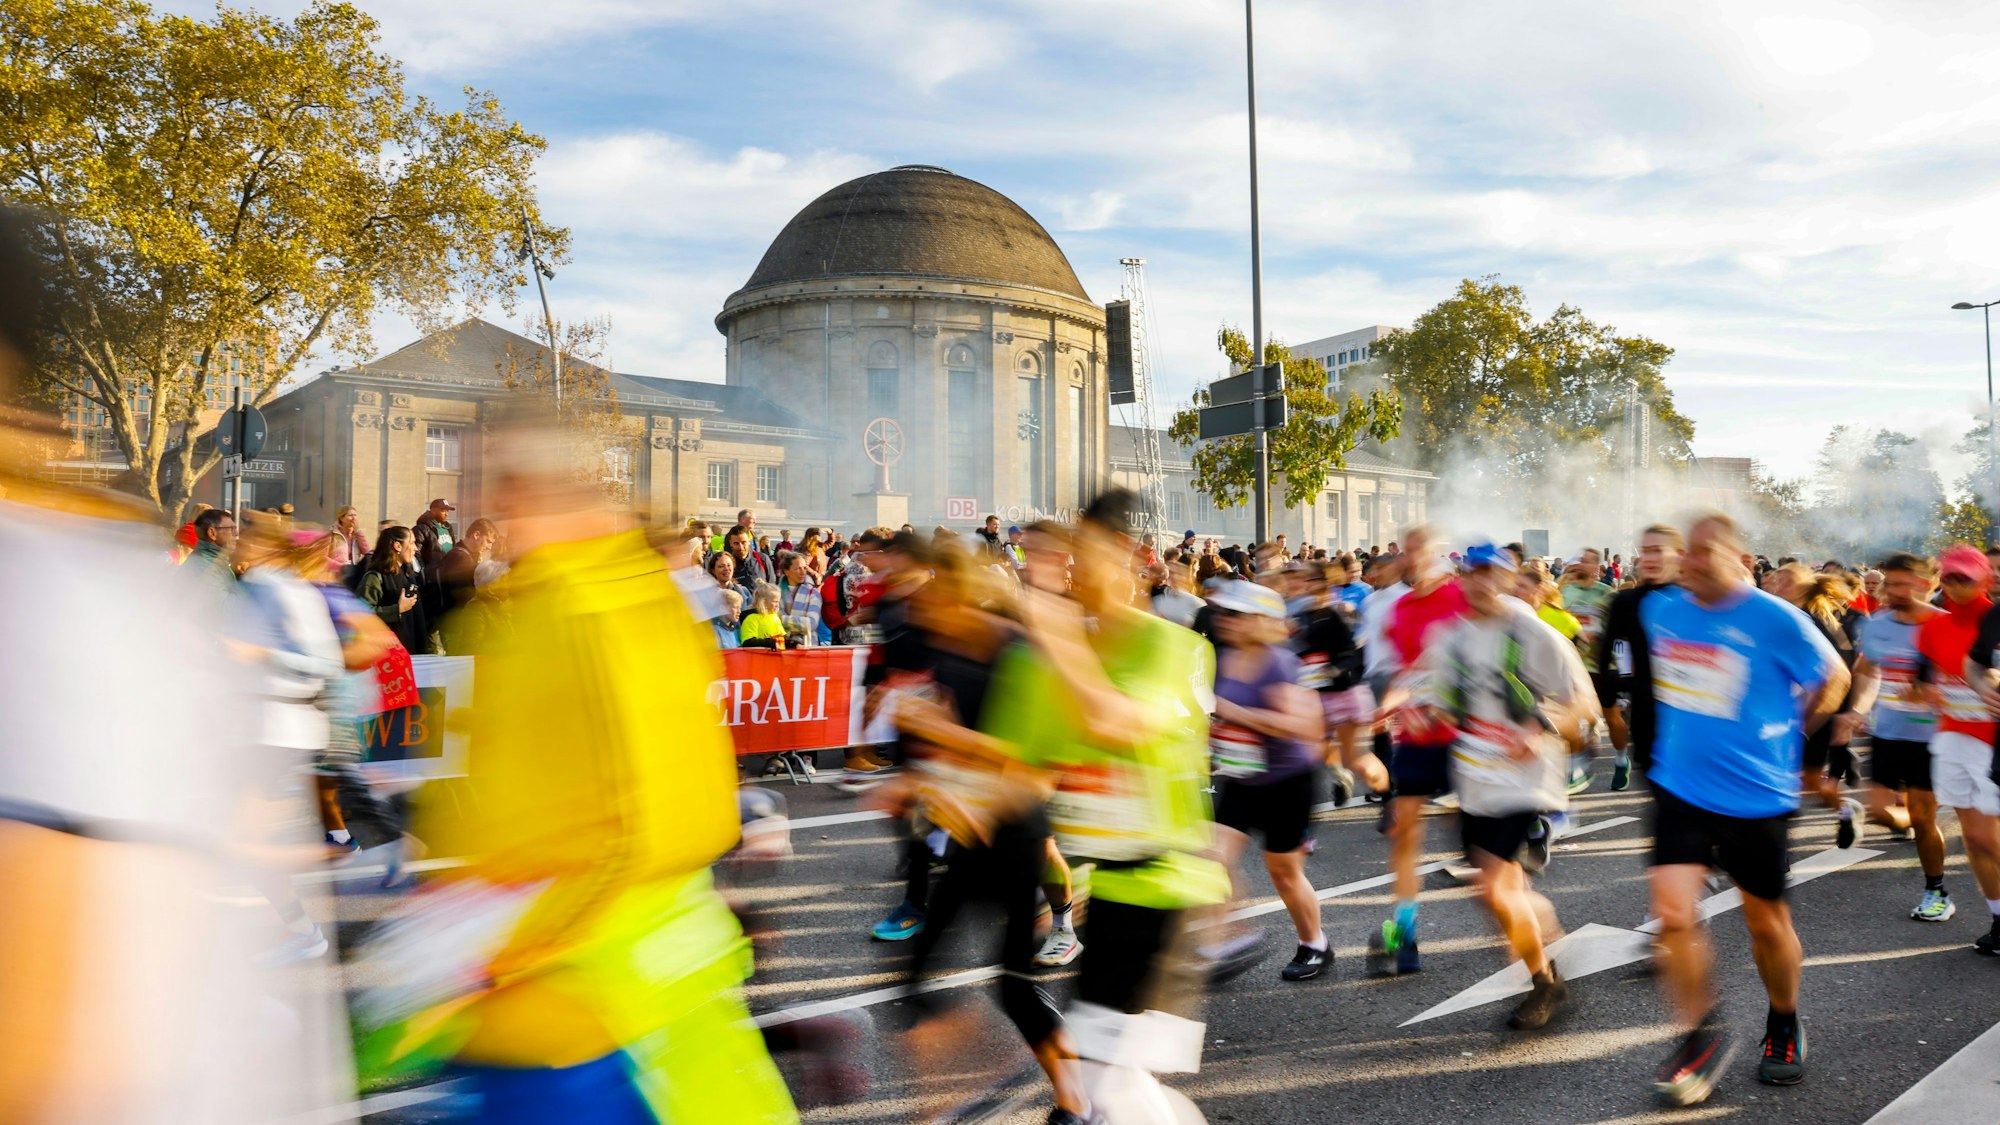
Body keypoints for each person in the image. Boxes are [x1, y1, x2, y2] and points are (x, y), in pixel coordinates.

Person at [390, 410, 796, 1122]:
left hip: (577, 993)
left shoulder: (576, 606)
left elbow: (623, 813)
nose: (499, 514)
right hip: (647, 969)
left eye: (506, 489)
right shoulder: (636, 596)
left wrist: (503, 948)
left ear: (533, 494)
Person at [1011, 491, 1224, 1118]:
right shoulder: (1063, 652)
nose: (1069, 568)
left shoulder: (1170, 647)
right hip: (1109, 888)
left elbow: (1114, 722)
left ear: (1131, 557)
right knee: (1105, 1080)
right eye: (1061, 554)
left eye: (1084, 553)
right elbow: (1027, 768)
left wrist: (1055, 634)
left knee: (1102, 1083)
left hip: (1163, 885)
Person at [1642, 514, 1847, 1105]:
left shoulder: (1776, 618)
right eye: (1691, 553)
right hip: (1679, 787)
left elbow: (1833, 677)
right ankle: (1700, 1035)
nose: (1696, 562)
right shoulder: (1664, 611)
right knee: (1673, 914)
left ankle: (1783, 1021)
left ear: (1740, 557)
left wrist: (1795, 731)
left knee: (1766, 922)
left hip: (1755, 795)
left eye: (1709, 552)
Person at [1414, 543, 1597, 1029]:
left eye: (1490, 572)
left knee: (1497, 886)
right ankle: (1545, 947)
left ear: (1509, 577)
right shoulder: (1449, 637)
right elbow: (1444, 702)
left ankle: (1545, 983)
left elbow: (1583, 704)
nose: (1479, 581)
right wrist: (1420, 712)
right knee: (1501, 894)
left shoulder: (1531, 633)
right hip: (1475, 780)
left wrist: (1538, 729)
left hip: (1526, 783)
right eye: (1470, 572)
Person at [1206, 581, 1333, 981]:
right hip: (1242, 779)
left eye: (1234, 614)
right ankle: (1230, 939)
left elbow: (1303, 727)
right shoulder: (1223, 657)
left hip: (1288, 783)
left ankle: (1316, 945)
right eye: (1223, 612)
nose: (1223, 620)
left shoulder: (1281, 663)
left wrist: (1232, 712)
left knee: (1284, 874)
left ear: (1261, 621)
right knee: (1212, 858)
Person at [1369, 525, 1468, 974]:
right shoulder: (1401, 611)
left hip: (1464, 737)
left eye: (1420, 551)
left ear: (1438, 554)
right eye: (1407, 553)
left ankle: (1532, 826)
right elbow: (1405, 677)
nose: (1413, 560)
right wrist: (1385, 708)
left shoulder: (1463, 599)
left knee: (1483, 847)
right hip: (1414, 738)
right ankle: (1405, 934)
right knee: (1404, 834)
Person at [1843, 552, 1950, 920]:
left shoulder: (1945, 624)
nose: (1896, 590)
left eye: (1905, 583)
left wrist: (1937, 693)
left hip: (1930, 737)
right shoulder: (1878, 624)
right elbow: (1868, 672)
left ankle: (1936, 891)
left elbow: (1970, 680)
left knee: (1923, 817)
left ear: (1925, 584)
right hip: (1887, 732)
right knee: (1877, 811)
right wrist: (1857, 710)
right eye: (1891, 583)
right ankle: (1874, 818)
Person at [1927, 545, 2000, 955]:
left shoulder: (1993, 618)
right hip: (1953, 740)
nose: (1955, 586)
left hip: (1994, 746)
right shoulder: (1933, 626)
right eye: (1949, 577)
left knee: (1991, 840)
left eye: (1965, 578)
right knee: (1974, 839)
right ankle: (1998, 918)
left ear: (1983, 579)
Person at [1595, 525, 1684, 792]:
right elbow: (1606, 649)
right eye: (1646, 551)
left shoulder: (1695, 600)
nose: (1650, 558)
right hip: (1647, 719)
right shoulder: (1626, 601)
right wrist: (1610, 695)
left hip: (1691, 722)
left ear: (1679, 555)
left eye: (1658, 550)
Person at [1557, 547, 1614, 793]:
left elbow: (1615, 628)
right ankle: (1575, 764)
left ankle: (1592, 731)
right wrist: (1562, 579)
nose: (1583, 563)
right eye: (1581, 559)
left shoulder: (1607, 594)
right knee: (1570, 708)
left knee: (1595, 712)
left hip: (1597, 661)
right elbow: (1551, 607)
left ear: (1598, 567)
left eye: (1589, 561)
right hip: (1571, 661)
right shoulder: (1567, 590)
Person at [357, 526, 431, 655]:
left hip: (409, 653)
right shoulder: (374, 577)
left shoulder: (409, 575)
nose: (416, 548)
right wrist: (397, 610)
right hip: (385, 657)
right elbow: (360, 615)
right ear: (397, 546)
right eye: (412, 543)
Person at [775, 549, 823, 646]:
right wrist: (800, 624)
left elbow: (811, 624)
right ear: (787, 571)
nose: (803, 572)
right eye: (798, 568)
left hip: (807, 647)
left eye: (804, 568)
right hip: (782, 646)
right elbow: (773, 622)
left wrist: (783, 620)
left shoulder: (813, 593)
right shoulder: (775, 593)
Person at [186, 506, 239, 591]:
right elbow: (224, 603)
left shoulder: (212, 560)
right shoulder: (203, 566)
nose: (236, 533)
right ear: (212, 533)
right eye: (231, 529)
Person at [1145, 559, 1203, 628]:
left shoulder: (1196, 602)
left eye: (1178, 573)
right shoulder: (1158, 600)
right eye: (1171, 573)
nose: (1174, 577)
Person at [740, 582, 787, 648]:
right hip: (761, 657)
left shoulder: (775, 617)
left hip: (778, 657)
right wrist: (770, 643)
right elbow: (747, 642)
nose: (778, 605)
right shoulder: (751, 618)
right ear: (763, 602)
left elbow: (782, 639)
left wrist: (795, 644)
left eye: (778, 602)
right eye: (775, 601)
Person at [334, 505, 370, 583]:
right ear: (341, 518)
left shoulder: (358, 534)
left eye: (355, 515)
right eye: (350, 515)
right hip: (338, 573)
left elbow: (367, 552)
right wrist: (340, 567)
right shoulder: (333, 534)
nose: (354, 518)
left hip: (355, 572)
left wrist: (358, 532)